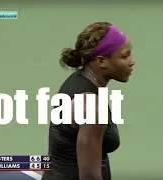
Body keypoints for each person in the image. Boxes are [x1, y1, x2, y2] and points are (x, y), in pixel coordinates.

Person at [41, 22, 134, 180]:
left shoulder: (77, 80)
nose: (132, 61)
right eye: (125, 56)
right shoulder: (92, 107)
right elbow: (89, 176)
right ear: (101, 61)